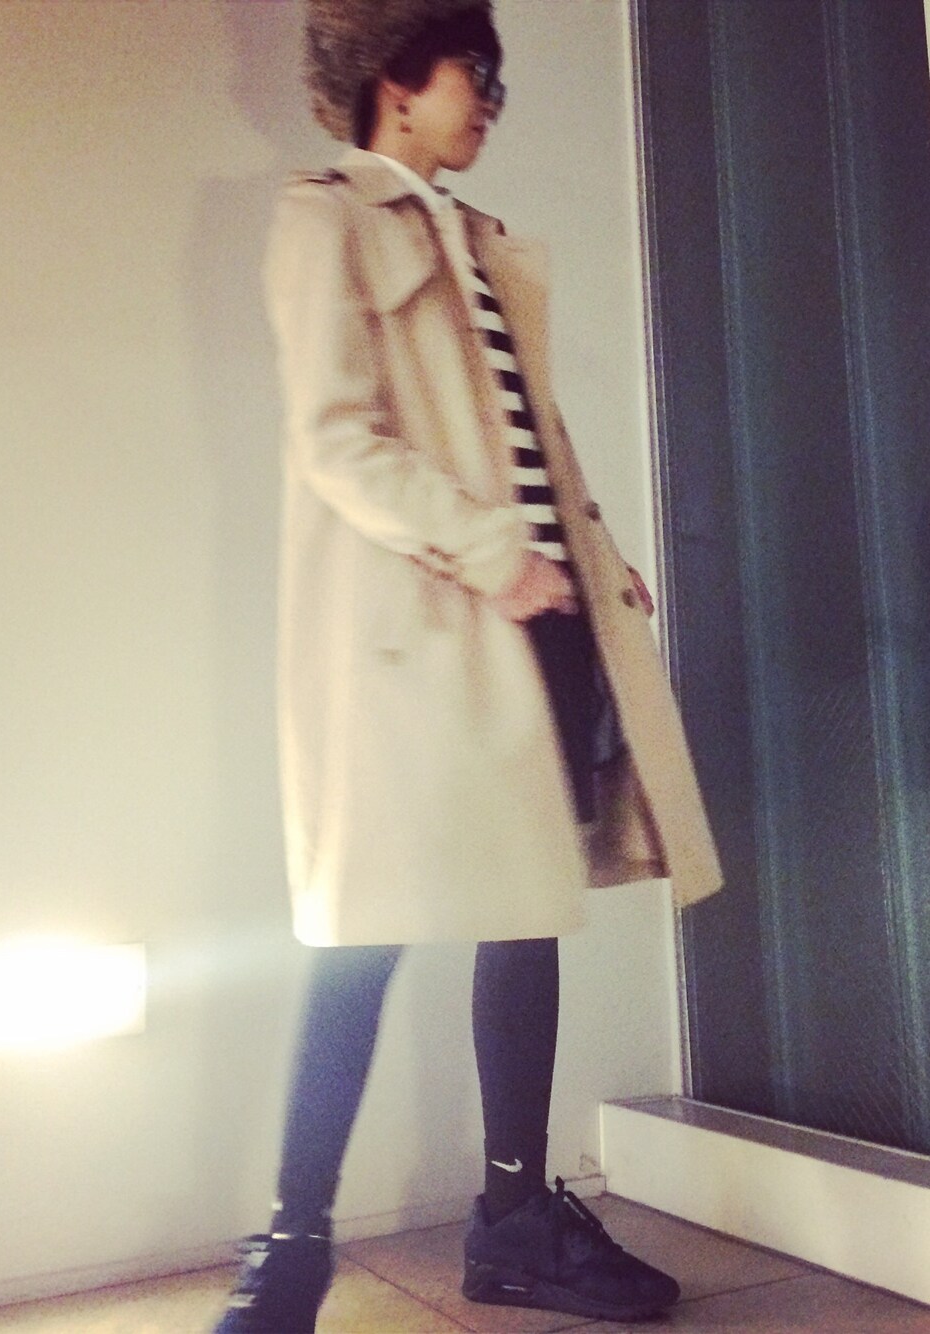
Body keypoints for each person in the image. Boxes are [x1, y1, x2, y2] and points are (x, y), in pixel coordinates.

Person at [213, 2, 722, 1330]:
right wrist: (497, 552)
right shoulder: (326, 215)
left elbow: (521, 434)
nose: (492, 97)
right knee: (360, 929)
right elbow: (337, 439)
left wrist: (593, 560)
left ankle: (513, 1220)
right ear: (397, 77)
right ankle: (293, 1246)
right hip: (419, 628)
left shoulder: (476, 237)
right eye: (474, 71)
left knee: (525, 903)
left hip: (529, 616)